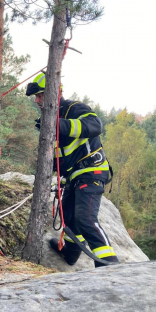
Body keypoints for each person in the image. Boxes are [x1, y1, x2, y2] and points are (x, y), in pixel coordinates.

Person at [26, 73, 119, 267]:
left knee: (85, 218)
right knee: (69, 217)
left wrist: (58, 125)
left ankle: (110, 264)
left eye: (40, 95)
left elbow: (95, 125)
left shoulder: (74, 109)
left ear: (55, 93)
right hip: (74, 176)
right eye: (36, 97)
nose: (36, 101)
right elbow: (59, 156)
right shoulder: (47, 120)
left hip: (91, 171)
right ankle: (69, 253)